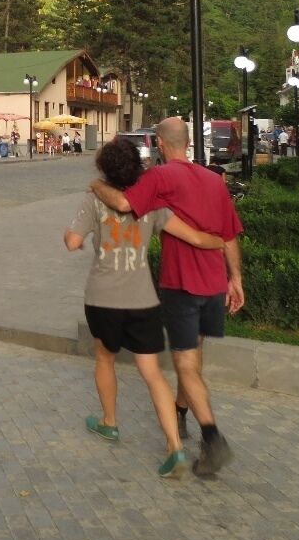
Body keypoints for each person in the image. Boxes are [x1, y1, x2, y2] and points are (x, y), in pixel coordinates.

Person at [90, 116, 244, 477]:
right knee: (195, 358)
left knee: (186, 365)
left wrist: (96, 186)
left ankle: (212, 438)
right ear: (188, 142)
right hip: (213, 285)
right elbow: (230, 235)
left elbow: (125, 205)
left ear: (159, 143)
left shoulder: (160, 177)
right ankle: (180, 413)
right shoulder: (213, 180)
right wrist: (236, 279)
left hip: (182, 286)